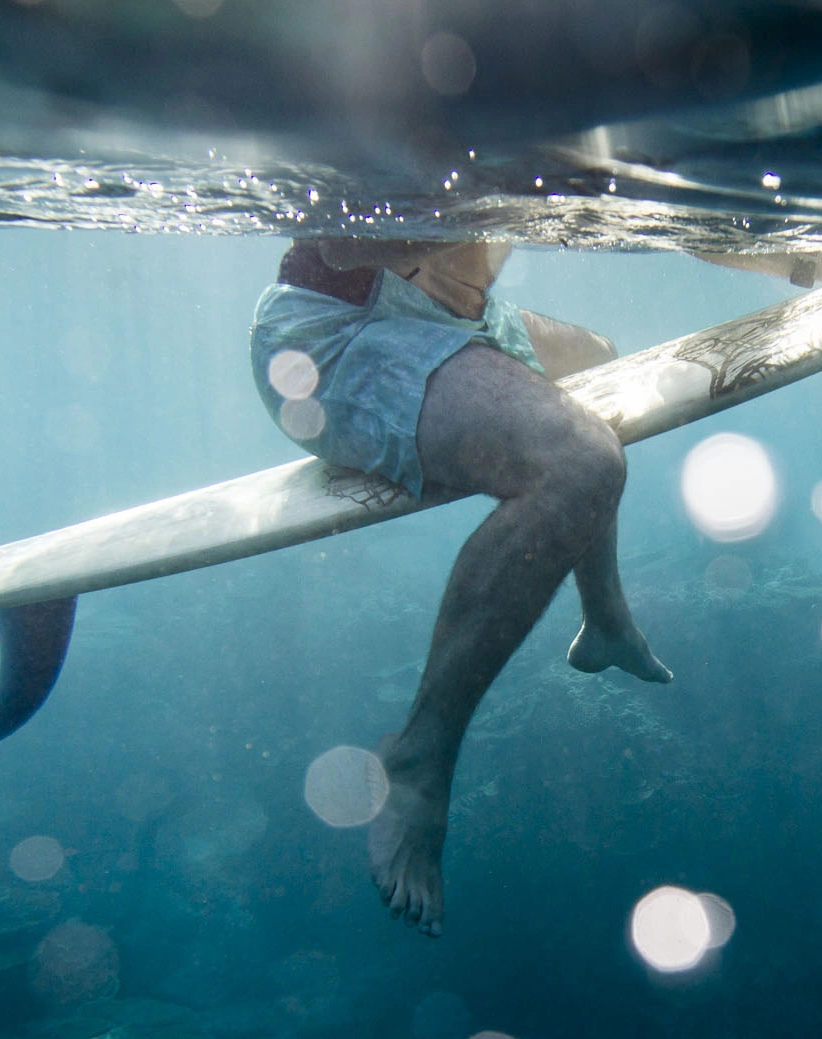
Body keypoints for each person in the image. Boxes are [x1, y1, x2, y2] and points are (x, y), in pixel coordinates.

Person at [249, 237, 672, 937]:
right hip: (336, 341)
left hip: (455, 321)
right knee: (579, 462)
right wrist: (489, 181)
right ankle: (420, 756)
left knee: (603, 359)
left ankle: (605, 618)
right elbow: (338, 238)